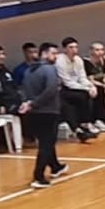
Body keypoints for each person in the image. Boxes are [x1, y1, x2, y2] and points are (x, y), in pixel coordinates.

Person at [17, 42, 67, 189]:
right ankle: (38, 176)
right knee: (46, 144)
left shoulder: (29, 70)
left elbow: (23, 90)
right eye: (53, 53)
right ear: (44, 54)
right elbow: (51, 90)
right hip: (48, 111)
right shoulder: (49, 69)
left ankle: (55, 166)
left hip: (34, 113)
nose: (56, 56)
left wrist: (27, 103)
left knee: (46, 141)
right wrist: (34, 103)